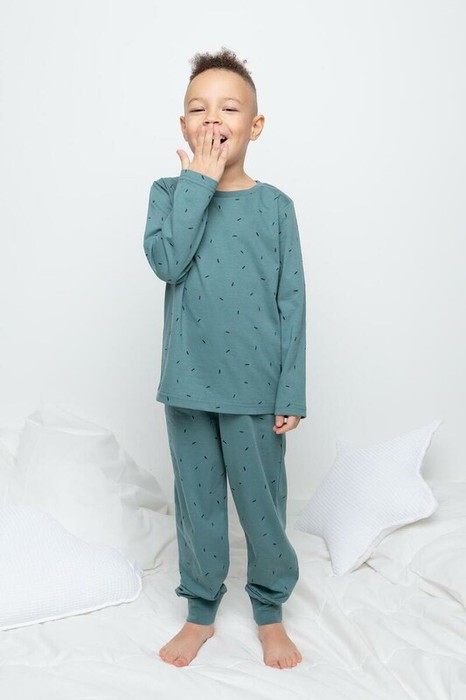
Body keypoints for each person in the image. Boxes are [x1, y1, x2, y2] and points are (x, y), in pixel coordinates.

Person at [143, 47, 307, 670]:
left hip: (256, 387)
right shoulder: (169, 193)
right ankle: (200, 610)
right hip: (188, 383)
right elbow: (167, 262)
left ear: (255, 126)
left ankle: (269, 609)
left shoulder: (276, 207)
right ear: (184, 125)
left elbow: (292, 302)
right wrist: (198, 184)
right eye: (199, 108)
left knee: (263, 505)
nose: (213, 118)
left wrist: (291, 388)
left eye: (230, 108)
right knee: (198, 503)